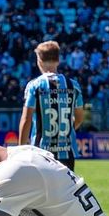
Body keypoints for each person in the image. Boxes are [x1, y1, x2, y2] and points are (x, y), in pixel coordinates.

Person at [18, 41, 84, 170]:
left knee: (40, 190)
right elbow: (80, 119)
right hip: (67, 152)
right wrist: (62, 133)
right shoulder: (73, 85)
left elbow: (26, 119)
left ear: (39, 61)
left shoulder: (34, 85)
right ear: (58, 60)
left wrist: (21, 149)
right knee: (65, 190)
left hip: (41, 152)